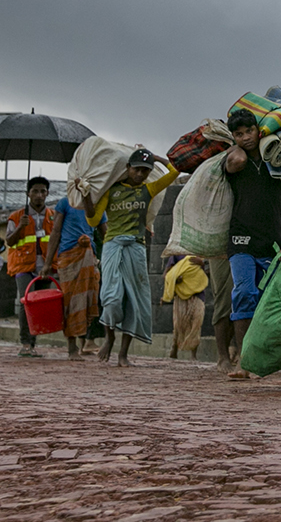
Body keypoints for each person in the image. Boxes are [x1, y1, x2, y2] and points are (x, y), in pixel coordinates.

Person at [86, 150, 177, 366]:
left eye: (145, 171)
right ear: (127, 168)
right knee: (111, 297)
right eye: (137, 169)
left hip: (136, 247)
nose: (140, 174)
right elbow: (93, 220)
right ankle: (109, 337)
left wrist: (156, 158)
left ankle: (123, 353)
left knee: (134, 299)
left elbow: (175, 171)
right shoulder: (112, 191)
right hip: (112, 246)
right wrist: (85, 196)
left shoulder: (149, 189)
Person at [223, 109, 281, 379]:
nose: (245, 137)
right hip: (240, 241)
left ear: (258, 130)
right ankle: (242, 360)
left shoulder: (279, 159)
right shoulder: (235, 160)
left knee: (267, 302)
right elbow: (235, 160)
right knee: (245, 293)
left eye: (249, 131)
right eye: (239, 134)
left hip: (272, 240)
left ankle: (258, 358)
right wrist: (237, 146)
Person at [41, 190, 104, 360]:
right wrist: (47, 264)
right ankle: (71, 347)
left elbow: (104, 233)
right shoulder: (64, 203)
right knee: (70, 302)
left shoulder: (98, 205)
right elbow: (56, 232)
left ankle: (85, 344)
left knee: (89, 299)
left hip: (89, 257)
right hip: (69, 257)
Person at [7, 177, 55, 358]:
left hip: (46, 267)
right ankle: (25, 344)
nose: (39, 195)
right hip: (23, 266)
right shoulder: (17, 216)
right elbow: (10, 241)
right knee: (26, 303)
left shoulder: (54, 216)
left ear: (47, 193)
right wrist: (21, 226)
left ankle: (33, 344)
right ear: (28, 193)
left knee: (40, 306)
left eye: (43, 191)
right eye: (35, 191)